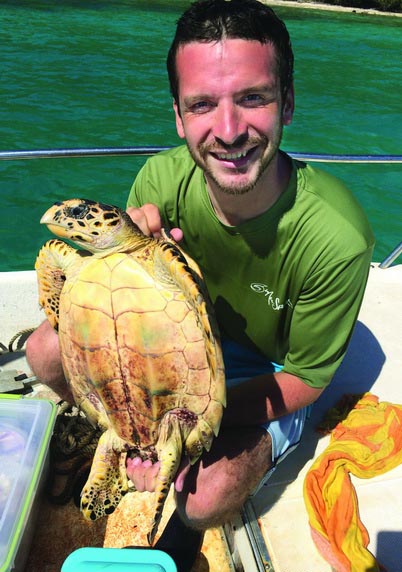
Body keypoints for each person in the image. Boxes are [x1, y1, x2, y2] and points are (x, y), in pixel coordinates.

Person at [26, 0, 374, 564]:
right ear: (179, 117)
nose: (229, 130)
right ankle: (114, 438)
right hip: (172, 351)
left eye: (253, 98)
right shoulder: (161, 178)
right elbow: (116, 308)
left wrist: (185, 426)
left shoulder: (336, 236)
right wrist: (133, 411)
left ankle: (182, 533)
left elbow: (307, 382)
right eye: (203, 105)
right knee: (44, 350)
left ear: (287, 102)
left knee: (204, 495)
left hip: (264, 375)